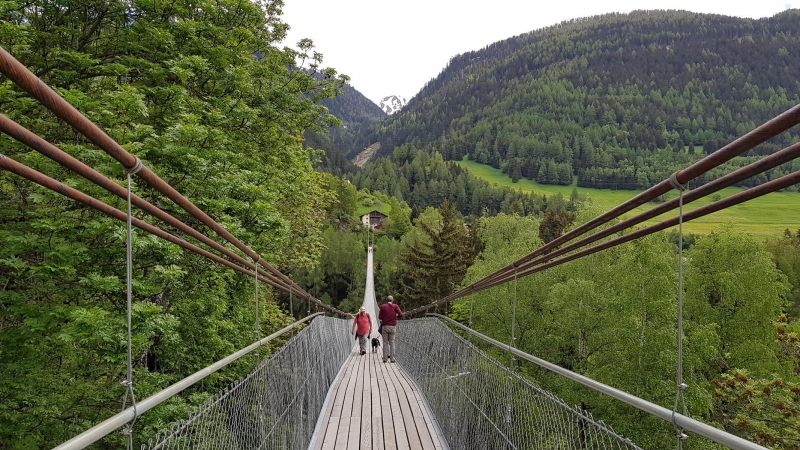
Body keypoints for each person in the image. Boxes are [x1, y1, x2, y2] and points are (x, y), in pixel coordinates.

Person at [378, 295, 403, 363]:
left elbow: (380, 317)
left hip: (385, 326)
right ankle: (392, 359)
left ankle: (385, 359)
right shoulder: (395, 306)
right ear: (392, 300)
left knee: (385, 342)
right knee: (392, 342)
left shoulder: (383, 306)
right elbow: (401, 314)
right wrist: (395, 317)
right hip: (392, 327)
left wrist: (385, 317)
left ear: (387, 300)